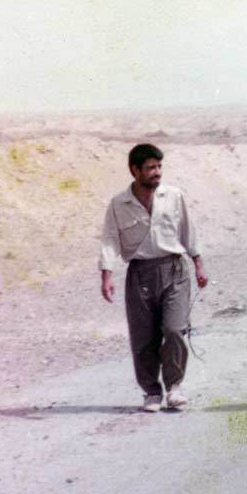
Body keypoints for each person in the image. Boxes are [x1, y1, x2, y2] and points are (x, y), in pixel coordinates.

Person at [99, 143, 208, 412]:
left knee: (174, 329)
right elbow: (110, 239)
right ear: (134, 170)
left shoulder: (173, 196)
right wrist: (107, 275)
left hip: (174, 269)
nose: (157, 172)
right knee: (143, 337)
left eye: (159, 166)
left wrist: (198, 264)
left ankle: (174, 387)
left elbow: (188, 231)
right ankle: (151, 392)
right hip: (140, 275)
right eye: (150, 168)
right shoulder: (119, 204)